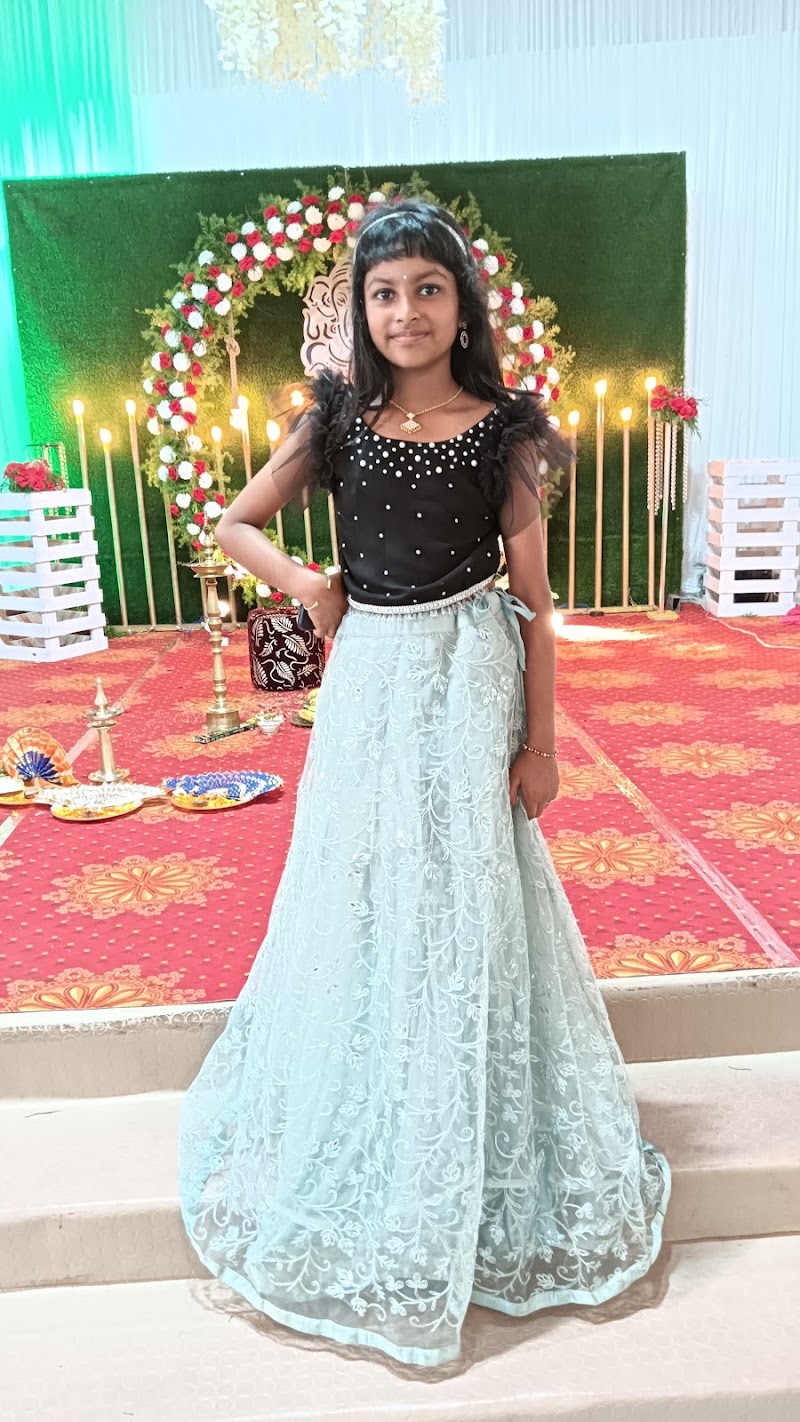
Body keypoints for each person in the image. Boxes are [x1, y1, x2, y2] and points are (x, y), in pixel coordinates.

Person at [177, 198, 671, 1369]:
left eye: (426, 289)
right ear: (361, 308)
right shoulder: (337, 423)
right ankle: (375, 1090)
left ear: (461, 305)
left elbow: (535, 608)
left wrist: (539, 745)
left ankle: (477, 1120)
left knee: (464, 883)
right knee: (368, 878)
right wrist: (307, 583)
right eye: (384, 292)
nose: (405, 312)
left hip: (468, 676)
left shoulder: (501, 433)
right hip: (373, 681)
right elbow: (232, 521)